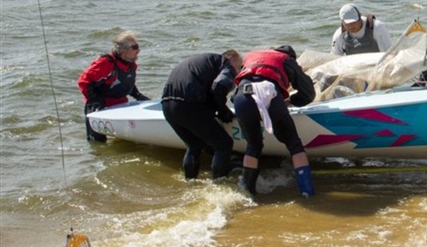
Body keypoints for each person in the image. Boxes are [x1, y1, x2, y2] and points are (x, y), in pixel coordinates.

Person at [232, 45, 317, 197]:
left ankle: (247, 195)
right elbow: (308, 93)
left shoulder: (251, 56)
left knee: (253, 146)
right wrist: (290, 101)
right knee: (294, 144)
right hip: (269, 92)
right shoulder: (286, 59)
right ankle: (307, 192)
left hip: (242, 97)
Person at [161, 50, 243, 180]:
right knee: (223, 144)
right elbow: (219, 86)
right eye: (239, 67)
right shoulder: (225, 63)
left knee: (194, 145)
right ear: (229, 57)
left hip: (167, 106)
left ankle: (190, 182)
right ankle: (219, 185)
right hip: (189, 104)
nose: (238, 72)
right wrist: (223, 111)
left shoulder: (201, 62)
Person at [78, 31, 150, 142]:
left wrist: (138, 96)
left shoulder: (132, 65)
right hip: (99, 106)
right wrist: (94, 101)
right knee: (98, 143)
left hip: (120, 105)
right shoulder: (105, 63)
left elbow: (127, 84)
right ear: (124, 51)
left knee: (125, 142)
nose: (138, 50)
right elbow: (83, 81)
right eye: (135, 47)